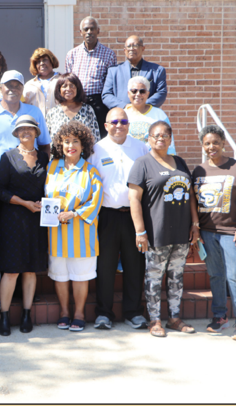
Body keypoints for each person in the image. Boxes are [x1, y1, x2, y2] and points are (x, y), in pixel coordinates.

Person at [128, 121, 200, 338]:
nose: (160, 138)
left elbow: (190, 196)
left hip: (181, 231)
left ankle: (175, 318)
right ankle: (155, 319)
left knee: (176, 276)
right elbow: (134, 198)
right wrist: (140, 231)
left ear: (170, 139)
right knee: (154, 277)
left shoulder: (179, 162)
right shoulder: (142, 163)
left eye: (165, 135)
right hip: (156, 232)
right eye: (156, 135)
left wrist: (195, 224)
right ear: (148, 139)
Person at [193, 125, 236, 341]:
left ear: (223, 143)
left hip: (231, 232)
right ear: (203, 146)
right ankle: (220, 317)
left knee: (235, 276)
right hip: (208, 233)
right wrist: (196, 228)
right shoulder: (199, 171)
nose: (211, 147)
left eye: (215, 142)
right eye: (207, 143)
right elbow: (193, 201)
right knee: (216, 275)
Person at [88, 108, 149, 330]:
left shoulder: (140, 147)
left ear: (128, 124)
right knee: (105, 266)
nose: (119, 125)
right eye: (114, 121)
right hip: (106, 215)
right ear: (106, 125)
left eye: (123, 121)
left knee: (135, 264)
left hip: (135, 216)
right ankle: (104, 313)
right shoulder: (96, 149)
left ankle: (133, 312)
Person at [45, 121, 103, 332]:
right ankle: (64, 312)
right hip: (56, 233)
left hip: (82, 232)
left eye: (76, 141)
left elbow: (95, 202)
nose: (71, 146)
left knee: (80, 275)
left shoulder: (91, 171)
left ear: (83, 144)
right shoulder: (51, 167)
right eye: (67, 141)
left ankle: (78, 313)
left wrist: (74, 213)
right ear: (60, 144)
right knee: (60, 274)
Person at [0, 116, 49, 336]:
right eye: (21, 129)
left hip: (37, 220)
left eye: (30, 128)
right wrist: (24, 202)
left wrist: (45, 202)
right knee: (11, 270)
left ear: (36, 132)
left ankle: (27, 314)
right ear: (16, 133)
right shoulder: (7, 157)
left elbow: (51, 186)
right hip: (13, 220)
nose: (25, 131)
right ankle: (4, 316)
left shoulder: (45, 158)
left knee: (30, 270)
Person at [0, 70, 51, 174]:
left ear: (22, 89)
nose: (13, 89)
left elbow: (45, 146)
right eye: (9, 85)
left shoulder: (34, 112)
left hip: (30, 177)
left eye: (18, 86)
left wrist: (40, 170)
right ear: (0, 88)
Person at [65, 17, 117, 139]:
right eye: (86, 29)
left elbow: (111, 83)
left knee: (100, 137)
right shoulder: (72, 54)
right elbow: (68, 81)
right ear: (80, 32)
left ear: (98, 31)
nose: (89, 32)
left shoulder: (108, 54)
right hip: (78, 102)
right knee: (78, 136)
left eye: (92, 29)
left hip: (99, 103)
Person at [102, 35, 167, 110]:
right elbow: (106, 95)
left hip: (147, 115)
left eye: (135, 45)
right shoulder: (113, 71)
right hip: (122, 115)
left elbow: (161, 93)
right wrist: (125, 106)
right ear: (124, 50)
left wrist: (142, 106)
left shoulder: (157, 70)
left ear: (143, 48)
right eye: (128, 46)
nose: (131, 49)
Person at [124, 76, 176, 155]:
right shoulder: (123, 115)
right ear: (128, 93)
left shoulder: (159, 115)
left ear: (148, 94)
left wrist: (171, 159)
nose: (138, 94)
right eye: (134, 91)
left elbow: (169, 141)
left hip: (153, 161)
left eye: (142, 91)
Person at [45, 73, 101, 143]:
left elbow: (95, 136)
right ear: (59, 89)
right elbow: (47, 140)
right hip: (58, 153)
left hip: (84, 153)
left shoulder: (87, 109)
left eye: (72, 86)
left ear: (78, 88)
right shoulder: (52, 112)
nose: (68, 89)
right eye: (64, 86)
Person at [23, 48, 60, 116]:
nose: (42, 63)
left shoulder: (62, 80)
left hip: (57, 123)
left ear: (51, 61)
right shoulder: (29, 85)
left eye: (44, 60)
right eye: (38, 61)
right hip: (36, 124)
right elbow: (23, 106)